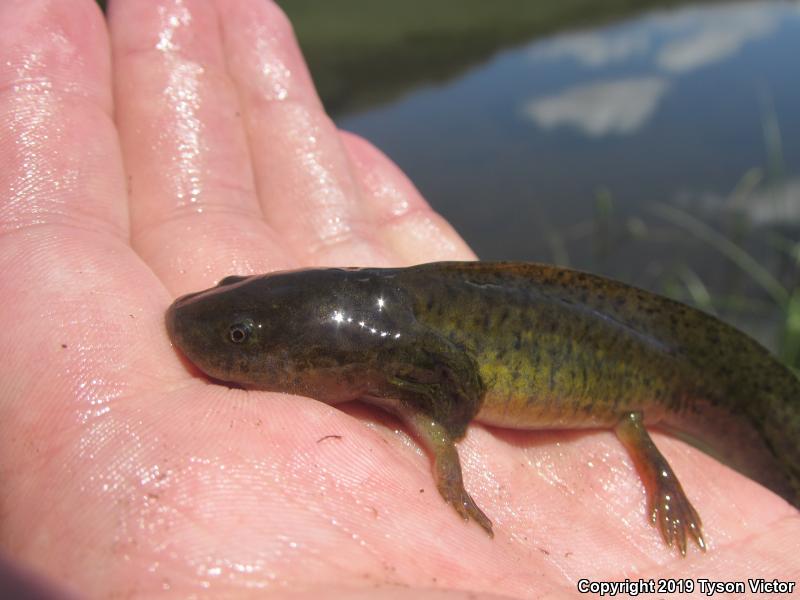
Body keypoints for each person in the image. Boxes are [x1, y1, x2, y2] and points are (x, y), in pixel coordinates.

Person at [0, 1, 796, 597]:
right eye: (240, 307)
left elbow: (453, 399)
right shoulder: (385, 341)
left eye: (244, 332)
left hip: (638, 393)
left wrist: (662, 488)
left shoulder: (425, 354)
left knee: (634, 411)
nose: (227, 330)